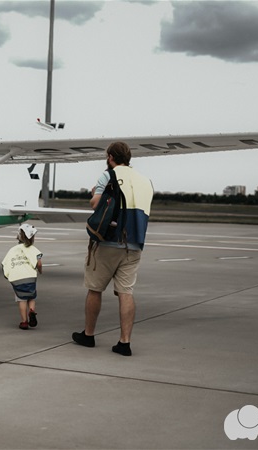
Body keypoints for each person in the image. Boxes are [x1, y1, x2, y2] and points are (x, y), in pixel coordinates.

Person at [72, 141, 153, 356]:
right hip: (134, 243)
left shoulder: (109, 175)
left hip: (109, 240)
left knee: (95, 288)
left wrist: (94, 194)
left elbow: (95, 203)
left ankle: (88, 335)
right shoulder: (146, 181)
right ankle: (124, 342)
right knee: (126, 292)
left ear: (110, 157)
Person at [2, 223, 43, 330]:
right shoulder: (33, 250)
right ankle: (32, 311)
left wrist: (7, 275)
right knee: (31, 297)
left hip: (17, 278)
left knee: (21, 299)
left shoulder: (13, 250)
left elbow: (5, 263)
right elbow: (39, 263)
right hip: (30, 277)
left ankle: (24, 322)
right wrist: (40, 271)